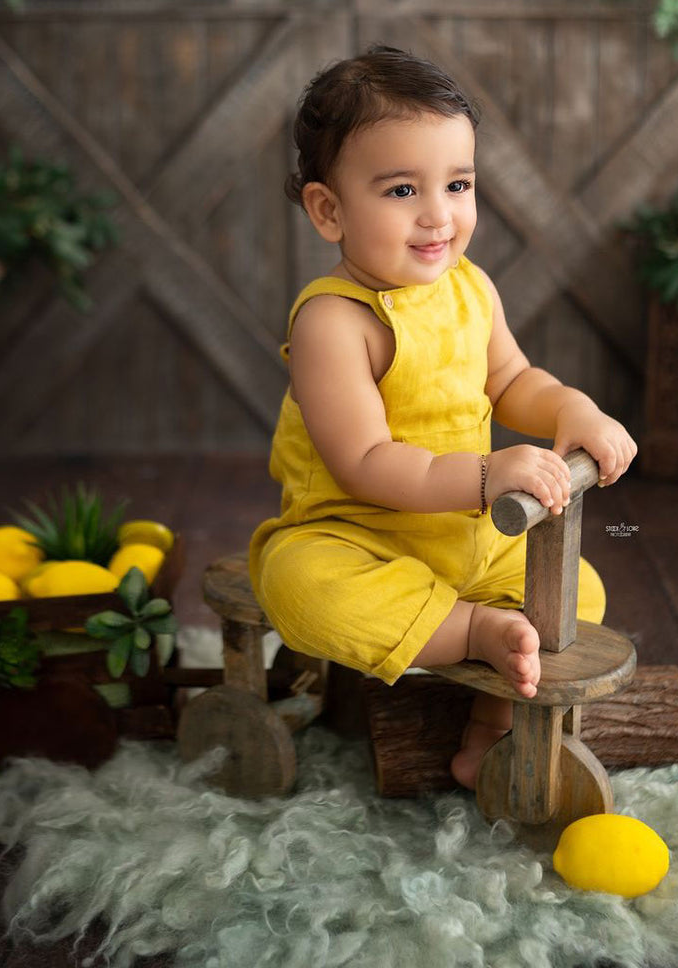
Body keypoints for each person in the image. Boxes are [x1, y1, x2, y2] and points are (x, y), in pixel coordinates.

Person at [249, 45, 637, 788]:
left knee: (577, 591)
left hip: (471, 536)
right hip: (355, 536)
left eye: (458, 184)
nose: (439, 215)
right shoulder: (334, 323)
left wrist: (572, 408)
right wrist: (491, 472)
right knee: (302, 590)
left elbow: (513, 380)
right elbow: (365, 462)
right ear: (329, 209)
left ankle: (489, 723)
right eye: (401, 190)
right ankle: (474, 633)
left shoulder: (469, 287)